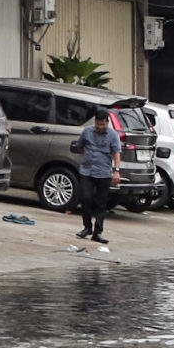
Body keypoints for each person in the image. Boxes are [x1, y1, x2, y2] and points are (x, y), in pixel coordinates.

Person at [70, 105, 121, 247]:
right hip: (87, 171)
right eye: (98, 124)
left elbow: (117, 153)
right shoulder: (87, 131)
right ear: (95, 122)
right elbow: (79, 145)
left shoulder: (113, 135)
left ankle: (98, 232)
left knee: (101, 203)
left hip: (104, 173)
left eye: (103, 125)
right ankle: (87, 227)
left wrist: (116, 171)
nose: (100, 127)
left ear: (107, 123)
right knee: (85, 198)